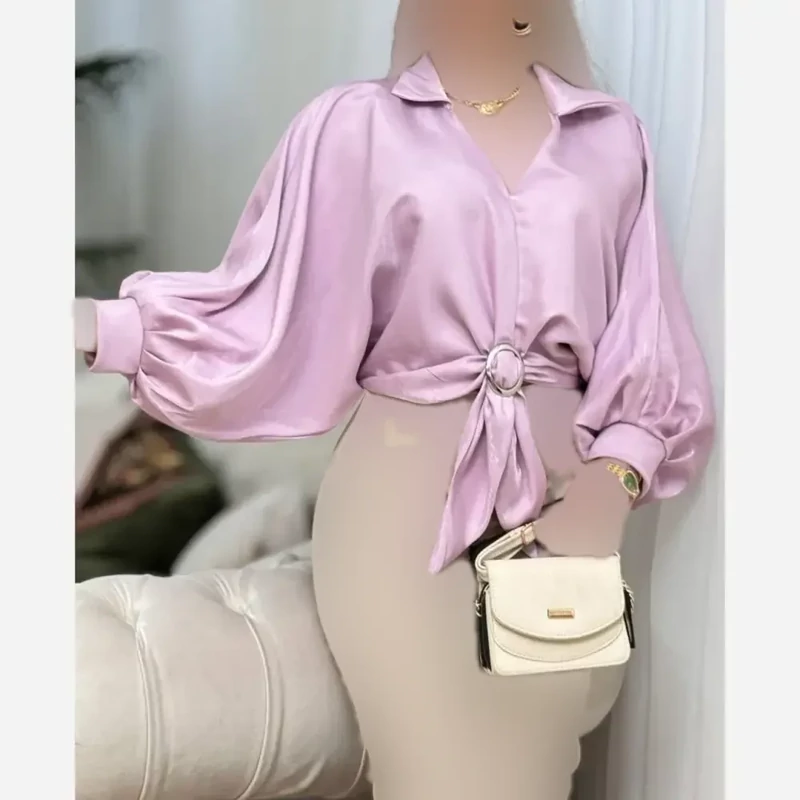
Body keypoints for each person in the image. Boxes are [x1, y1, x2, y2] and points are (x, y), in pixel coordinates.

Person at [74, 0, 715, 797]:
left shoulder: (611, 138)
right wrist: (105, 327)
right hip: (399, 492)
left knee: (541, 772)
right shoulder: (354, 126)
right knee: (430, 771)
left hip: (566, 502)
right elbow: (265, 304)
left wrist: (608, 490)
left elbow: (651, 349)